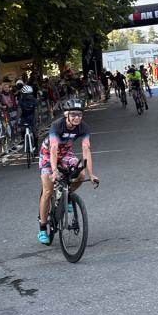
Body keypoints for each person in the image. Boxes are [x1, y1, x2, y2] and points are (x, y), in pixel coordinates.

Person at [37, 99, 98, 245]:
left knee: (80, 174)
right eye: (74, 114)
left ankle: (67, 195)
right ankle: (43, 228)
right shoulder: (57, 126)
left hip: (65, 153)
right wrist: (54, 171)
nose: (77, 117)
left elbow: (86, 150)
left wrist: (91, 174)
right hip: (48, 154)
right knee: (47, 191)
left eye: (80, 114)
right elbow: (53, 149)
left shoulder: (83, 127)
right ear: (66, 114)